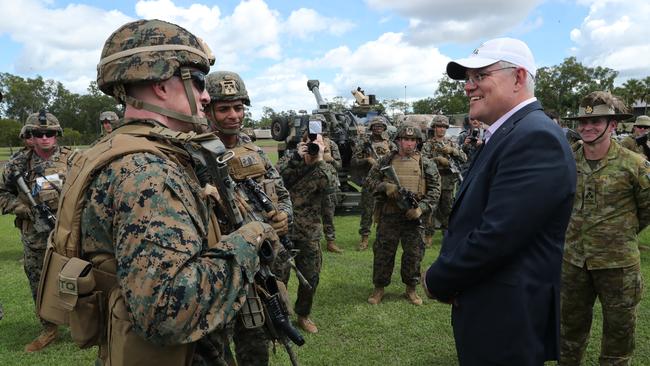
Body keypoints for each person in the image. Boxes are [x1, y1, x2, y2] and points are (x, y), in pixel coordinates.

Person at [46, 19, 279, 365]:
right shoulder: (147, 171)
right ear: (158, 82)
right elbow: (168, 312)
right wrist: (251, 238)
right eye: (198, 81)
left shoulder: (113, 151)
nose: (206, 95)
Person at [422, 37, 576, 365]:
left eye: (480, 76)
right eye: (467, 79)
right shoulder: (510, 133)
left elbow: (497, 236)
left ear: (519, 78)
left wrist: (437, 278)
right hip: (492, 311)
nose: (468, 87)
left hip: (508, 321)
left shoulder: (535, 137)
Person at [205, 70, 293, 366]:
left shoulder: (253, 149)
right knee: (212, 350)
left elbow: (281, 191)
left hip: (260, 266)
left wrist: (284, 217)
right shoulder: (194, 153)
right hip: (217, 269)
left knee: (256, 343)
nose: (233, 115)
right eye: (224, 108)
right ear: (207, 110)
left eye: (239, 107)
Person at [560, 91, 649, 365]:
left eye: (596, 122)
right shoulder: (565, 160)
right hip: (574, 262)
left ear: (612, 125)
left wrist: (618, 233)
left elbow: (647, 209)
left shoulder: (634, 164)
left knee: (618, 340)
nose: (587, 128)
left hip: (618, 265)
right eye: (583, 123)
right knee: (568, 337)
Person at [0, 110, 70, 352]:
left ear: (57, 134)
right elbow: (2, 193)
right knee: (39, 283)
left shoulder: (74, 159)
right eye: (38, 133)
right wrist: (21, 207)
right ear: (30, 134)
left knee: (81, 279)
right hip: (35, 238)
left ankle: (88, 325)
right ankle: (49, 329)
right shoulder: (17, 165)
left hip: (70, 234)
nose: (44, 137)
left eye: (49, 133)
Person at [366, 124, 440, 306]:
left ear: (417, 142)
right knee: (383, 252)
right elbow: (369, 181)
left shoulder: (426, 163)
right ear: (398, 140)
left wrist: (420, 209)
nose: (408, 143)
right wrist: (384, 186)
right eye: (405, 139)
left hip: (413, 218)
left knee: (413, 254)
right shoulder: (385, 161)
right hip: (389, 216)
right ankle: (379, 288)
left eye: (413, 140)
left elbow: (435, 190)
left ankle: (411, 289)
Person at [277, 117, 338, 334]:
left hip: (309, 231)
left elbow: (332, 191)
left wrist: (320, 159)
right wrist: (296, 159)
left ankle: (303, 314)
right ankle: (281, 317)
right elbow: (276, 179)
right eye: (307, 140)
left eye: (315, 141)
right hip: (282, 229)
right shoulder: (288, 158)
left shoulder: (324, 166)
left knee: (310, 277)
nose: (311, 144)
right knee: (279, 277)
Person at [421, 115, 466, 247]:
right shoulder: (428, 144)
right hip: (433, 181)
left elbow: (464, 158)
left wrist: (453, 151)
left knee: (447, 209)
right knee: (431, 209)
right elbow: (422, 161)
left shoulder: (451, 142)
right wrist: (437, 160)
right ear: (434, 128)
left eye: (443, 127)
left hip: (448, 181)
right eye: (438, 127)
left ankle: (448, 235)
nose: (441, 129)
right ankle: (428, 236)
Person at [351, 115, 395, 250]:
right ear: (371, 127)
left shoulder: (390, 144)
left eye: (381, 126)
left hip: (386, 181)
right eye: (375, 126)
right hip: (370, 182)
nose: (378, 128)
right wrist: (367, 160)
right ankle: (364, 239)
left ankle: (384, 238)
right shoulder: (364, 144)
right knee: (367, 211)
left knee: (386, 211)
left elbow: (397, 160)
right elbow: (354, 162)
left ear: (384, 128)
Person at [319, 115, 344, 253]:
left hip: (328, 183)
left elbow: (339, 165)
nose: (319, 128)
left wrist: (331, 160)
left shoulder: (331, 144)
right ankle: (311, 241)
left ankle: (330, 242)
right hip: (310, 184)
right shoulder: (305, 142)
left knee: (328, 213)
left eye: (321, 125)